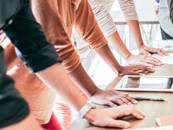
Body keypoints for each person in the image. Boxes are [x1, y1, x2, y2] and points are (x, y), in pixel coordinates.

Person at [0, 0, 144, 129]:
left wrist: (89, 109)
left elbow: (37, 47)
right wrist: (91, 98)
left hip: (41, 87)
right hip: (18, 87)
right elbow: (56, 42)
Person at [80, 0, 167, 66]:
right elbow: (100, 15)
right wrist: (128, 56)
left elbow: (127, 5)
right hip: (73, 40)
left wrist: (140, 45)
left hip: (84, 42)